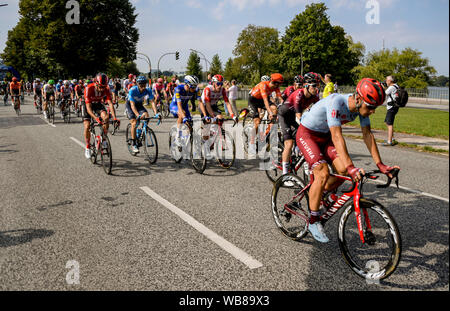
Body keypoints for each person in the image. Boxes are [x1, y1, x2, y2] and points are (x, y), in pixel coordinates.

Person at [296, 78, 400, 243]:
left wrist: (380, 165)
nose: (372, 111)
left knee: (343, 171)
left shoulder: (360, 108)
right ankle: (313, 221)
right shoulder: (336, 101)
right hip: (307, 134)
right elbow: (337, 136)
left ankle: (319, 194)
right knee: (322, 173)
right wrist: (352, 166)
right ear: (358, 98)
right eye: (371, 107)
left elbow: (367, 135)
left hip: (325, 137)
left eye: (375, 108)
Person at [277, 72, 320, 175]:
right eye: (314, 86)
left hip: (292, 117)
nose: (317, 89)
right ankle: (285, 174)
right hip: (284, 116)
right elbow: (299, 116)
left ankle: (299, 155)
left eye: (318, 86)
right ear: (306, 85)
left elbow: (320, 111)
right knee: (289, 143)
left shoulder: (314, 96)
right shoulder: (299, 94)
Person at [82, 73, 118, 159]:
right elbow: (89, 108)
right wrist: (95, 118)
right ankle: (87, 147)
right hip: (88, 104)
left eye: (104, 87)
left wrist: (114, 117)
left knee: (106, 118)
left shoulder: (106, 88)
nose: (102, 89)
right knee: (87, 126)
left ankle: (104, 139)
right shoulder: (89, 88)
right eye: (100, 87)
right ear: (96, 83)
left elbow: (110, 103)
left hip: (98, 103)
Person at [126, 76, 158, 154]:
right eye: (141, 86)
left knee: (146, 116)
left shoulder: (148, 90)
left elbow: (152, 102)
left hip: (139, 105)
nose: (143, 87)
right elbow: (132, 105)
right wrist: (137, 115)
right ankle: (134, 144)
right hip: (130, 105)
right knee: (134, 122)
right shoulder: (133, 90)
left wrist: (156, 113)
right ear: (137, 84)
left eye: (144, 85)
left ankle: (140, 131)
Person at [248, 73, 284, 140]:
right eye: (279, 83)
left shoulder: (276, 87)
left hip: (262, 100)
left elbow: (280, 99)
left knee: (274, 109)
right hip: (253, 100)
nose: (280, 85)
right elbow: (265, 101)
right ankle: (251, 140)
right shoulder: (263, 85)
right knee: (257, 122)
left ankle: (267, 133)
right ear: (275, 82)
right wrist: (270, 113)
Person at [170, 75, 201, 145]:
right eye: (193, 86)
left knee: (189, 125)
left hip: (185, 107)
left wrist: (204, 115)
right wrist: (184, 117)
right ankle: (178, 135)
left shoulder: (196, 89)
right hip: (175, 106)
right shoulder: (178, 89)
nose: (195, 88)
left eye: (196, 86)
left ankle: (185, 143)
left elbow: (200, 102)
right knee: (182, 114)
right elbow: (179, 105)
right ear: (187, 85)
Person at [383, 75, 400, 146]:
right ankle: (392, 138)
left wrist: (382, 88)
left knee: (389, 124)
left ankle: (389, 141)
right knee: (387, 122)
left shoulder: (391, 87)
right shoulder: (396, 86)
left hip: (391, 107)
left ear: (390, 81)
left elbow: (384, 94)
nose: (386, 81)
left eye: (386, 80)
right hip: (394, 107)